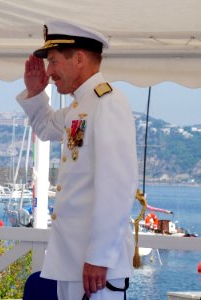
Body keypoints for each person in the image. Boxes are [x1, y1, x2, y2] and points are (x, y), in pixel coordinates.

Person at [16, 20, 138, 299]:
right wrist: (35, 92)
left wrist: (99, 256)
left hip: (96, 267)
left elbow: (117, 187)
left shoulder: (108, 103)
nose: (50, 72)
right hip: (74, 262)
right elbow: (46, 128)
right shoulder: (80, 106)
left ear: (79, 59)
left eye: (55, 62)